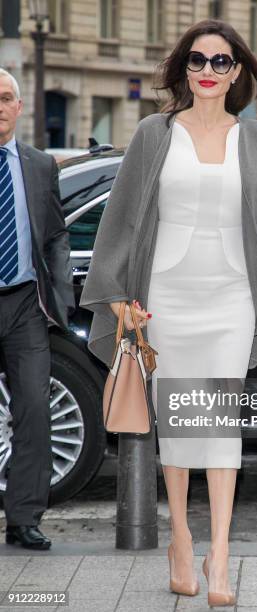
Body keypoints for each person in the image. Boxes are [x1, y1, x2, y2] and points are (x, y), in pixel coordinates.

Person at [80, 19, 257, 608]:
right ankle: (181, 539)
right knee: (180, 426)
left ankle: (220, 554)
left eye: (221, 62)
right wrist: (119, 296)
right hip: (167, 299)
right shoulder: (155, 134)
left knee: (220, 425)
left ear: (238, 72)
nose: (208, 71)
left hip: (232, 297)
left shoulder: (256, 141)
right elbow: (121, 220)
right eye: (197, 61)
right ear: (183, 69)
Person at [0, 69, 74, 549]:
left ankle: (24, 519)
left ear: (19, 107)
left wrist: (60, 299)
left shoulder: (39, 164)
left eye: (6, 97)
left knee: (33, 413)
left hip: (25, 304)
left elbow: (56, 235)